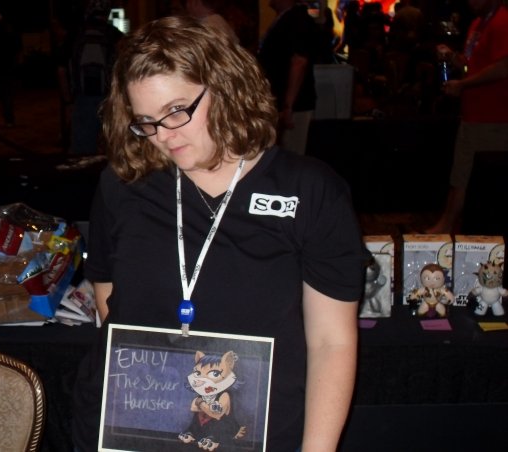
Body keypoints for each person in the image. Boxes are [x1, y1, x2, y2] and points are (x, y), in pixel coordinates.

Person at [71, 15, 368, 452]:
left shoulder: (309, 190)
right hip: (132, 426)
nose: (164, 135)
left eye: (177, 111)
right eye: (146, 121)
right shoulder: (124, 185)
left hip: (253, 434)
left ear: (225, 86)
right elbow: (108, 298)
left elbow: (332, 342)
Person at [426, 0, 508, 234]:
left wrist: (463, 84)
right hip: (474, 113)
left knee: (473, 177)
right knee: (461, 172)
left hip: (494, 116)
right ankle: (450, 226)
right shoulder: (477, 23)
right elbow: (474, 64)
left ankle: (453, 228)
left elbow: (504, 67)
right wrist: (455, 59)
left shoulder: (502, 21)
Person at [258, 0, 319, 155]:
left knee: (290, 155)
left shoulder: (297, 18)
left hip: (294, 106)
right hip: (283, 104)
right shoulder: (287, 18)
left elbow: (299, 61)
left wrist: (288, 105)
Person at [65, 1, 123, 155]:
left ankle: (83, 167)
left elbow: (63, 68)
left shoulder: (76, 33)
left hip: (82, 96)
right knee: (113, 144)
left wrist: (68, 100)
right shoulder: (114, 34)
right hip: (108, 96)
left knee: (82, 146)